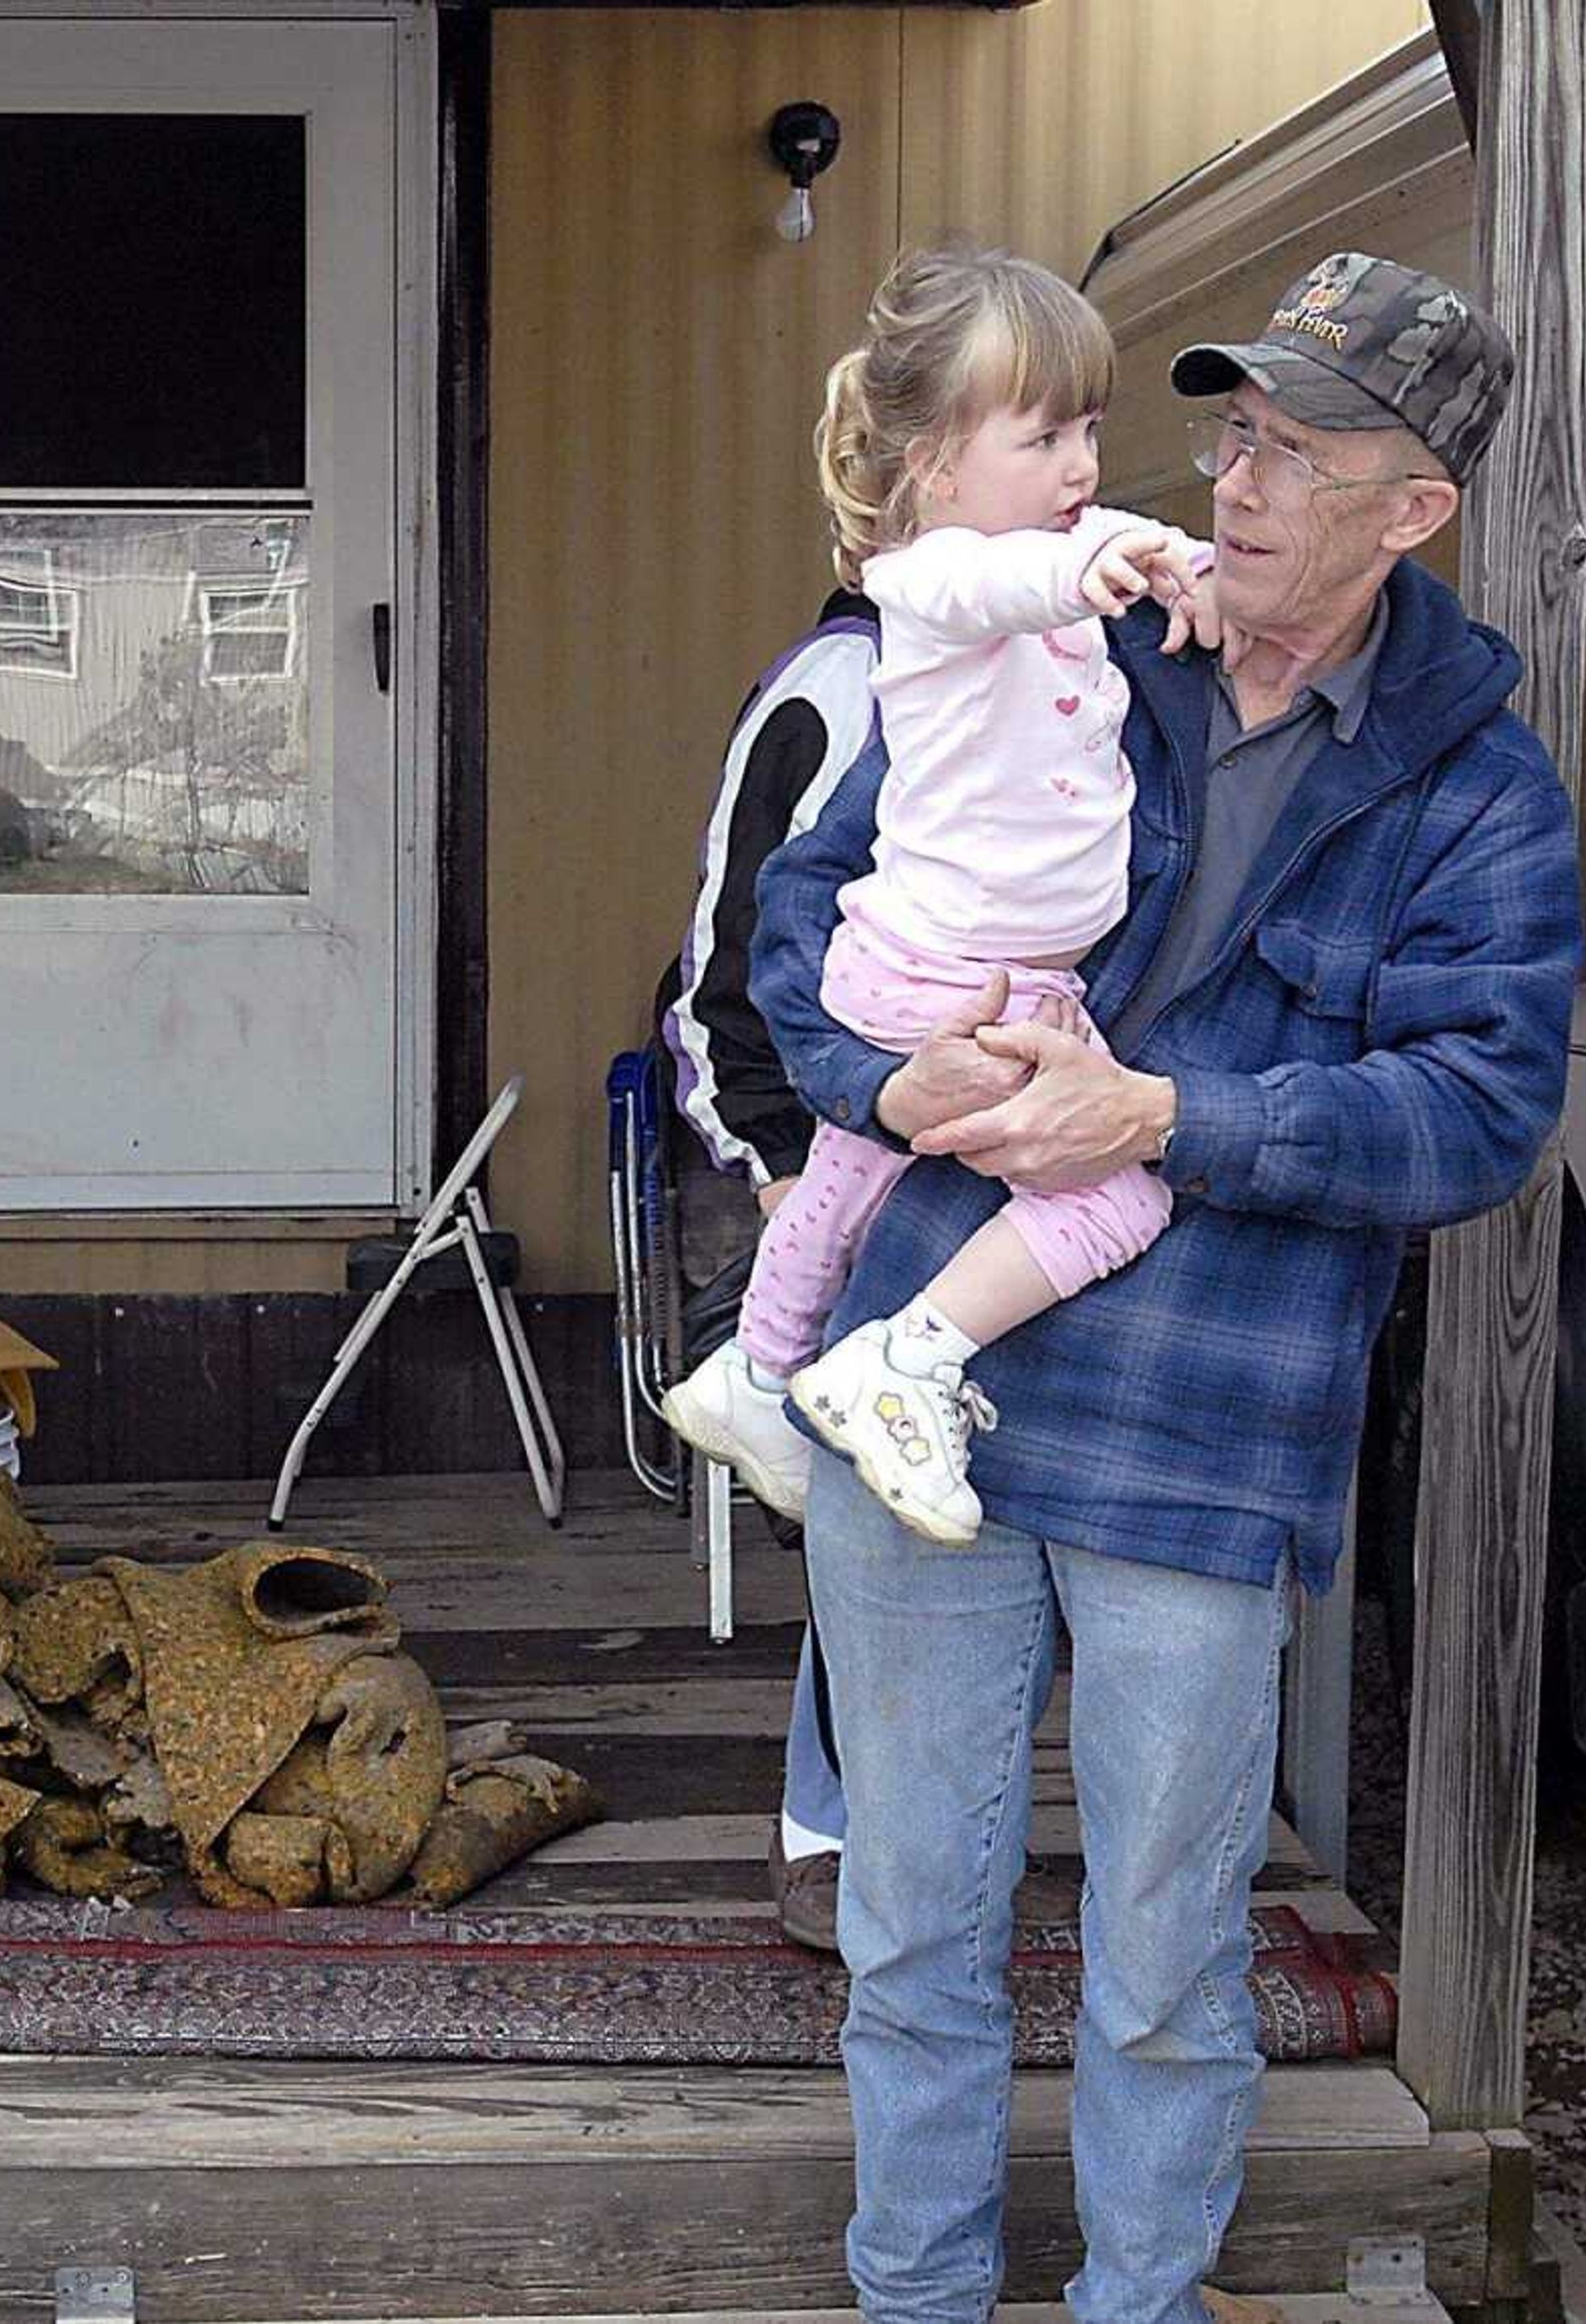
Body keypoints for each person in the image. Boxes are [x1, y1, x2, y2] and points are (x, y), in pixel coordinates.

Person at [753, 249, 1579, 2322]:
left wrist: (1166, 1118)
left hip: (1209, 1436)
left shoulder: (1478, 788)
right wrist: (884, 1072)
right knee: (914, 1935)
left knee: (1162, 1966)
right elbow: (808, 908)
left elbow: (1478, 1111)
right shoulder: (1077, 635)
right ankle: (918, 2298)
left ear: (1417, 509)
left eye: (1297, 449)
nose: (1233, 477)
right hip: (920, 1394)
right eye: (1229, 427)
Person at [663, 250, 1214, 1546]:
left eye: (1091, 429)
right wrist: (1104, 566)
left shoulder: (1056, 568)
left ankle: (757, 1373)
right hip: (959, 970)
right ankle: (909, 1356)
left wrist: (1176, 563)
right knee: (1117, 1197)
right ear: (934, 471)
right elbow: (1010, 581)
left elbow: (1087, 558)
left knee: (850, 1177)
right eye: (1042, 437)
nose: (1081, 466)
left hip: (957, 965)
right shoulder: (931, 583)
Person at [653, 542, 881, 1951]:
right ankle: (829, 1827)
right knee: (868, 1519)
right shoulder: (839, 689)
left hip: (989, 1143)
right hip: (836, 1163)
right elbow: (725, 961)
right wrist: (779, 1162)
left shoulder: (1045, 665)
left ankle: (899, 1830)